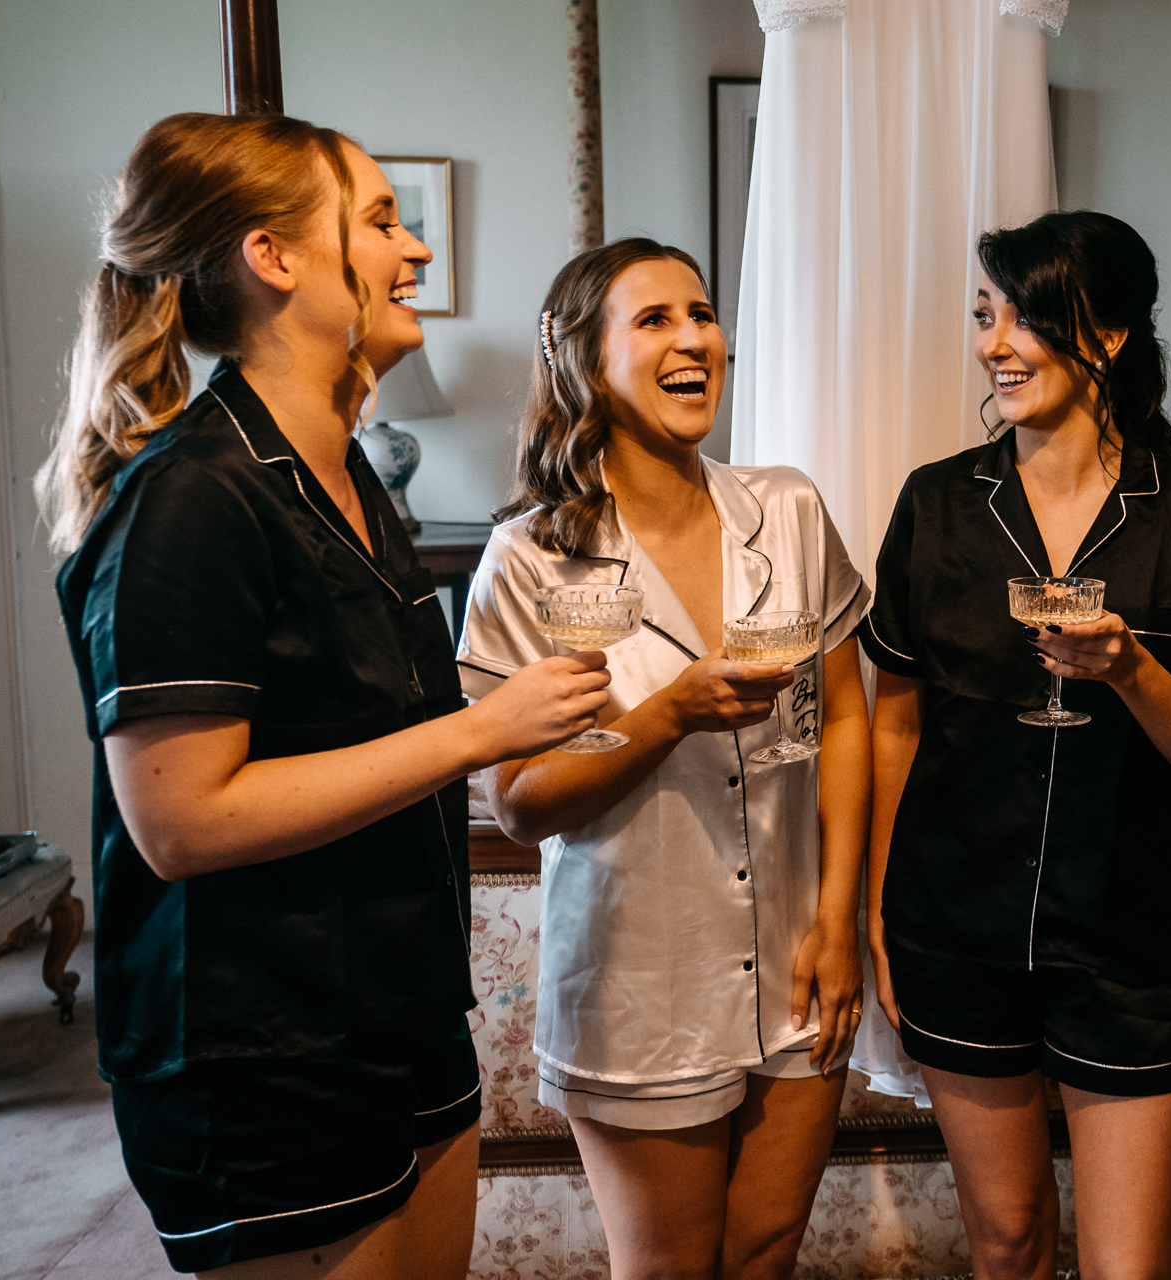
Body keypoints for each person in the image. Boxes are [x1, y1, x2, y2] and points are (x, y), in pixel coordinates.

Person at [42, 114, 611, 1278]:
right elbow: (180, 821)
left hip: (397, 1010)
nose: (417, 254)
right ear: (275, 257)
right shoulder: (190, 502)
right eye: (383, 221)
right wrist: (479, 732)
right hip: (260, 1055)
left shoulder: (350, 478)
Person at [457, 238, 872, 1280]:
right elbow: (519, 804)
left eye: (702, 312)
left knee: (768, 1250)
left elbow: (851, 718)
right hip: (643, 977)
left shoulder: (787, 510)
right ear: (587, 362)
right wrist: (668, 717)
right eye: (654, 320)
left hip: (795, 958)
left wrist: (839, 919)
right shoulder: (532, 556)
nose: (695, 338)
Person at [863, 210, 1171, 1280]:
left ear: (1112, 334)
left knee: (1130, 1263)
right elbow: (894, 715)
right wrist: (876, 905)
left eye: (1027, 315)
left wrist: (1131, 671)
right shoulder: (938, 504)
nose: (995, 342)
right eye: (984, 314)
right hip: (956, 920)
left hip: (1131, 936)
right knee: (1008, 1237)